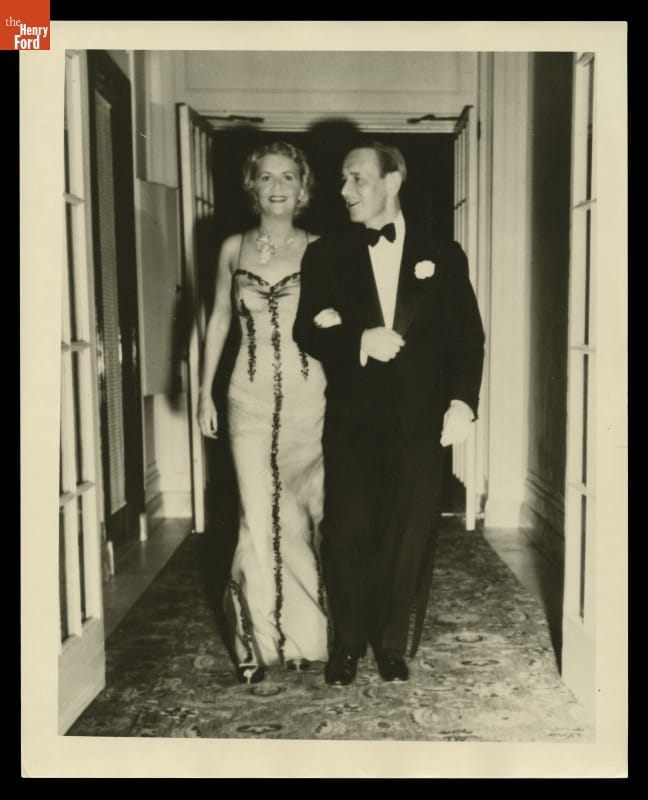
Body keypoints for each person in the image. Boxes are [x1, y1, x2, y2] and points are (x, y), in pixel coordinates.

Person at [293, 141, 485, 686]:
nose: (344, 190)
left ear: (393, 181)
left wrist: (462, 402)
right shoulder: (326, 254)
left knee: (409, 532)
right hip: (353, 421)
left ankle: (391, 643)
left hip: (422, 422)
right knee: (347, 530)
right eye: (343, 180)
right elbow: (307, 329)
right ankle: (348, 643)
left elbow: (467, 338)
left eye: (357, 178)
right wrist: (358, 339)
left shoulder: (442, 253)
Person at [198, 141, 328, 684]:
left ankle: (303, 640)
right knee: (256, 514)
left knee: (298, 514)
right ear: (251, 185)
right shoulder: (233, 247)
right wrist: (204, 392)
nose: (278, 186)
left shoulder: (321, 248)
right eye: (267, 176)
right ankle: (257, 646)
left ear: (303, 187)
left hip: (309, 398)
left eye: (288, 176)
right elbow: (219, 320)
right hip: (245, 397)